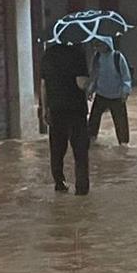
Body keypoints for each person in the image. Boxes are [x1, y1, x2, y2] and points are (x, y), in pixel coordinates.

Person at [41, 36, 90, 194]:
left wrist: (44, 108)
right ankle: (81, 188)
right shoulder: (78, 54)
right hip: (76, 109)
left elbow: (43, 85)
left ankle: (59, 183)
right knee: (80, 150)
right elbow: (81, 83)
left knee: (57, 148)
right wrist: (91, 81)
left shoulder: (47, 55)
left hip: (55, 109)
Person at [86, 38, 133, 145]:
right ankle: (91, 142)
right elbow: (94, 75)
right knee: (93, 122)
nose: (97, 48)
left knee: (121, 125)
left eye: (99, 45)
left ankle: (123, 145)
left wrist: (125, 91)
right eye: (96, 45)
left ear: (107, 44)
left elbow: (126, 77)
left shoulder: (117, 57)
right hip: (101, 94)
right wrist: (91, 89)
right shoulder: (97, 57)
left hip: (117, 96)